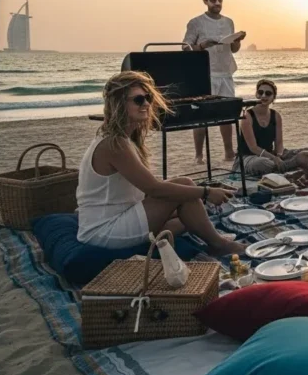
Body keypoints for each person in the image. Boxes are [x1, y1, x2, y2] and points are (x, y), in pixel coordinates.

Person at [76, 71, 245, 255]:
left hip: (120, 215)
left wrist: (197, 193)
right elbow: (154, 189)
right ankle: (220, 245)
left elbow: (147, 186)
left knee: (190, 215)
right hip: (104, 230)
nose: (147, 104)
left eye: (148, 98)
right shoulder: (114, 144)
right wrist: (206, 192)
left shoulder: (122, 139)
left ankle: (192, 239)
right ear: (119, 104)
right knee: (186, 189)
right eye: (138, 100)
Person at [183, 0, 245, 164]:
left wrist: (237, 40)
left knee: (227, 113)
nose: (217, 3)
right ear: (205, 1)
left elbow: (233, 49)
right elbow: (185, 47)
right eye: (213, 0)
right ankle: (199, 155)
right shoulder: (196, 22)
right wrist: (202, 46)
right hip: (205, 74)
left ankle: (228, 152)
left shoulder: (228, 22)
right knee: (201, 115)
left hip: (225, 72)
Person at [234, 79, 302, 177]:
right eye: (260, 92)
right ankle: (287, 168)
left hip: (270, 155)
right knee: (261, 163)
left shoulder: (276, 116)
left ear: (273, 97)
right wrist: (275, 159)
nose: (263, 96)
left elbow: (279, 144)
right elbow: (253, 148)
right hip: (249, 158)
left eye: (268, 93)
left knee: (302, 152)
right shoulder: (247, 116)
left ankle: (283, 167)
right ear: (256, 94)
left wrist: (278, 156)